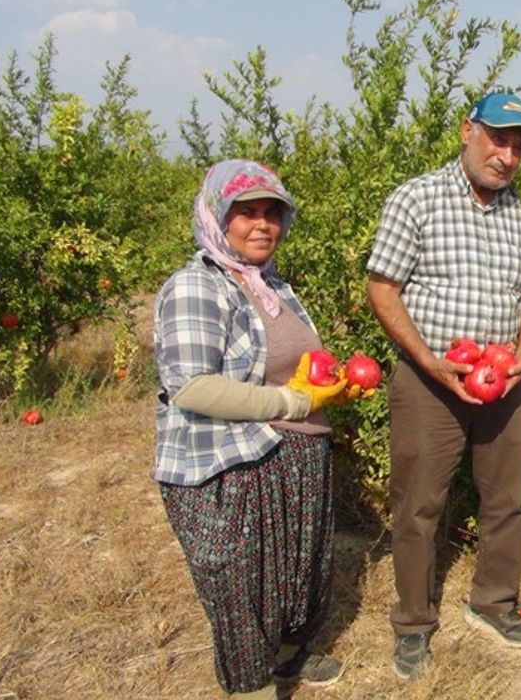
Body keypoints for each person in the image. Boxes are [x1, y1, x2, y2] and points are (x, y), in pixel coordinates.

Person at [365, 91, 521, 680]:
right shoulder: (418, 198)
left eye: (518, 146)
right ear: (466, 131)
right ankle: (412, 622)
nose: (506, 155)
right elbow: (383, 288)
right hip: (431, 380)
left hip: (503, 381)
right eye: (498, 139)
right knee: (418, 504)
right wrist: (430, 362)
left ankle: (495, 602)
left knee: (504, 499)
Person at [153, 159, 352, 700]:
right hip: (232, 462)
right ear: (218, 218)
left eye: (272, 213)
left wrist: (330, 386)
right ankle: (252, 684)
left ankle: (288, 656)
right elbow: (192, 385)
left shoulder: (273, 285)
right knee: (242, 589)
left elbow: (294, 365)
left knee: (293, 574)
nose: (262, 225)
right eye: (247, 213)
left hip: (295, 453)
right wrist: (288, 400)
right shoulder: (196, 286)